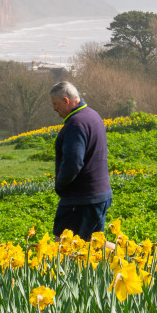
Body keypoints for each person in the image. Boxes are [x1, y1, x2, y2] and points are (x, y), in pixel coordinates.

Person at [49, 81, 112, 241]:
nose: (54, 109)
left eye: (55, 104)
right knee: (93, 244)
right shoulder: (92, 115)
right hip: (98, 194)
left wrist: (60, 184)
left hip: (82, 199)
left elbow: (73, 163)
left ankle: (132, 259)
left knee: (63, 244)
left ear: (66, 100)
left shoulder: (75, 125)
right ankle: (131, 259)